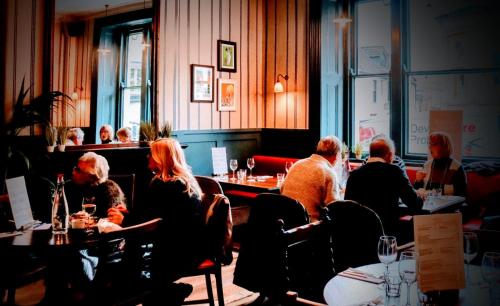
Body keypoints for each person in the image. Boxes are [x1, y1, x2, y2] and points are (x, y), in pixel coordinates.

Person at [140, 138, 205, 305]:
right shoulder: (183, 181)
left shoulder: (166, 185)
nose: (148, 157)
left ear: (162, 158)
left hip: (178, 253)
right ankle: (169, 291)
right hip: (194, 246)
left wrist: (124, 219)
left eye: (151, 154)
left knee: (135, 260)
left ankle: (169, 292)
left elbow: (152, 221)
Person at [344, 137, 423, 238]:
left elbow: (348, 207)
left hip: (359, 234)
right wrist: (420, 197)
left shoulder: (354, 175)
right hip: (388, 234)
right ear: (389, 155)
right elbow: (414, 203)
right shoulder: (395, 172)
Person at [280, 136, 342, 221]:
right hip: (309, 228)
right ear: (336, 156)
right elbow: (334, 208)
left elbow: (282, 189)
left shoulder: (297, 164)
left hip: (285, 223)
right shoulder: (328, 173)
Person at [414, 131, 467, 197]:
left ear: (445, 147)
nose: (430, 147)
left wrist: (434, 191)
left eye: (434, 144)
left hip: (448, 204)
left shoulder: (456, 167)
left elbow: (461, 191)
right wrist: (418, 181)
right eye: (430, 144)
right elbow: (416, 190)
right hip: (428, 203)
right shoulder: (427, 165)